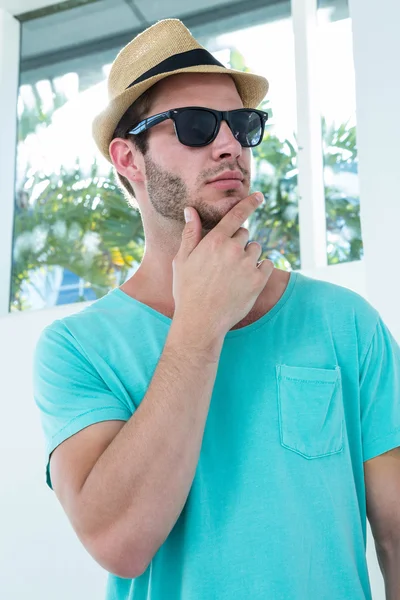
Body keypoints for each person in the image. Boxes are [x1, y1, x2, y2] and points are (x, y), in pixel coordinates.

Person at [33, 18, 400, 600]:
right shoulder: (76, 349)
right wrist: (199, 327)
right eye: (197, 125)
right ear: (129, 158)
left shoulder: (346, 323)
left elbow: (398, 539)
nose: (229, 144)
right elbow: (119, 542)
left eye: (242, 124)